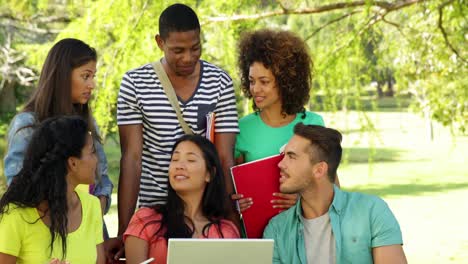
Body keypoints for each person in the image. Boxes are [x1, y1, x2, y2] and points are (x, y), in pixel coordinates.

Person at [109, 3, 239, 259]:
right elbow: (132, 159)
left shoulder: (219, 82)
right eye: (178, 50)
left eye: (195, 48)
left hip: (203, 214)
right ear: (160, 42)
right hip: (153, 215)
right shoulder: (135, 83)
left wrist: (230, 218)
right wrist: (125, 229)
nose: (188, 58)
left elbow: (224, 158)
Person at [263, 123, 407, 264]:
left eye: (291, 156)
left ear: (319, 170)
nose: (280, 164)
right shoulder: (277, 229)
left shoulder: (371, 211)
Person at [3, 38, 113, 217]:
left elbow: (103, 181)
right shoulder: (27, 125)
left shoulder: (88, 125)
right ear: (62, 75)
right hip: (42, 232)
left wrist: (88, 219)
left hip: (89, 236)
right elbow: (16, 185)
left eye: (93, 76)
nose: (92, 84)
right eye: (85, 76)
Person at [233, 29, 329, 212]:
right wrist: (235, 202)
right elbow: (230, 189)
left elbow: (332, 190)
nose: (256, 89)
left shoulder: (313, 124)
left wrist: (301, 199)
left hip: (301, 234)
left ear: (286, 81)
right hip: (256, 236)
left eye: (264, 81)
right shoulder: (241, 129)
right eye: (252, 81)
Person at [0, 116, 105, 264]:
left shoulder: (91, 206)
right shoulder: (16, 215)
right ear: (73, 163)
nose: (97, 159)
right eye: (92, 152)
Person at [123, 135, 240, 264]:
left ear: (209, 174)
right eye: (175, 159)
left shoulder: (226, 231)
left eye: (190, 160)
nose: (179, 166)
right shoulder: (145, 219)